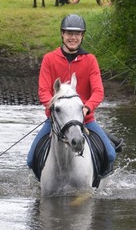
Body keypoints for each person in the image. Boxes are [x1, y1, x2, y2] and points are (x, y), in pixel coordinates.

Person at [27, 14, 122, 174]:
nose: (73, 37)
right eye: (69, 33)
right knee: (30, 160)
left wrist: (87, 108)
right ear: (62, 34)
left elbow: (98, 91)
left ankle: (98, 184)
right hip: (57, 119)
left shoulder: (90, 60)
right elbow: (43, 91)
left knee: (111, 154)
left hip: (85, 119)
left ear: (82, 36)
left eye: (77, 34)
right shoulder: (49, 59)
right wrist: (53, 107)